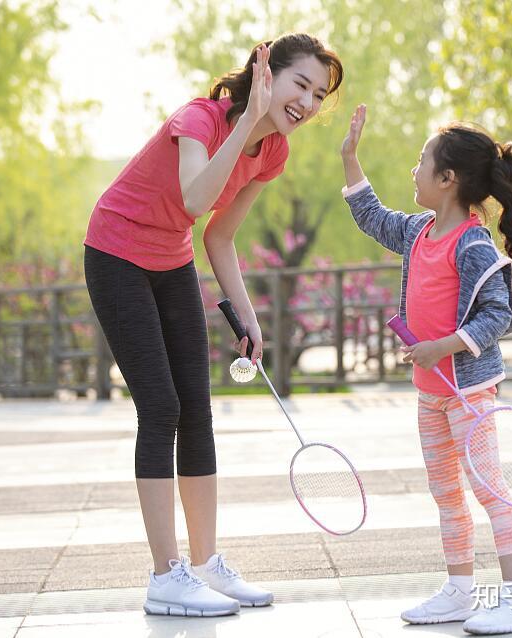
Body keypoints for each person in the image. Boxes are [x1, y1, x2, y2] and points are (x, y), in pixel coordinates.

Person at [82, 34, 343, 617]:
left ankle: (204, 566)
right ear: (265, 75)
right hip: (116, 253)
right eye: (300, 84)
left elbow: (218, 235)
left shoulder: (272, 151)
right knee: (161, 409)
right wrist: (247, 118)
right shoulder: (199, 119)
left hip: (171, 259)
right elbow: (197, 199)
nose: (307, 103)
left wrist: (246, 315)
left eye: (318, 95)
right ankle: (165, 576)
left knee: (196, 411)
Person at [340, 105, 512, 635]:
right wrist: (350, 159)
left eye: (421, 161)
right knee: (446, 493)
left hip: (469, 391)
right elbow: (371, 216)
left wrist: (445, 346)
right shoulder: (417, 231)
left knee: (488, 489)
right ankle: (459, 591)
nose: (414, 170)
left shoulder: (473, 244)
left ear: (447, 178)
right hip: (430, 392)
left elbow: (498, 314)